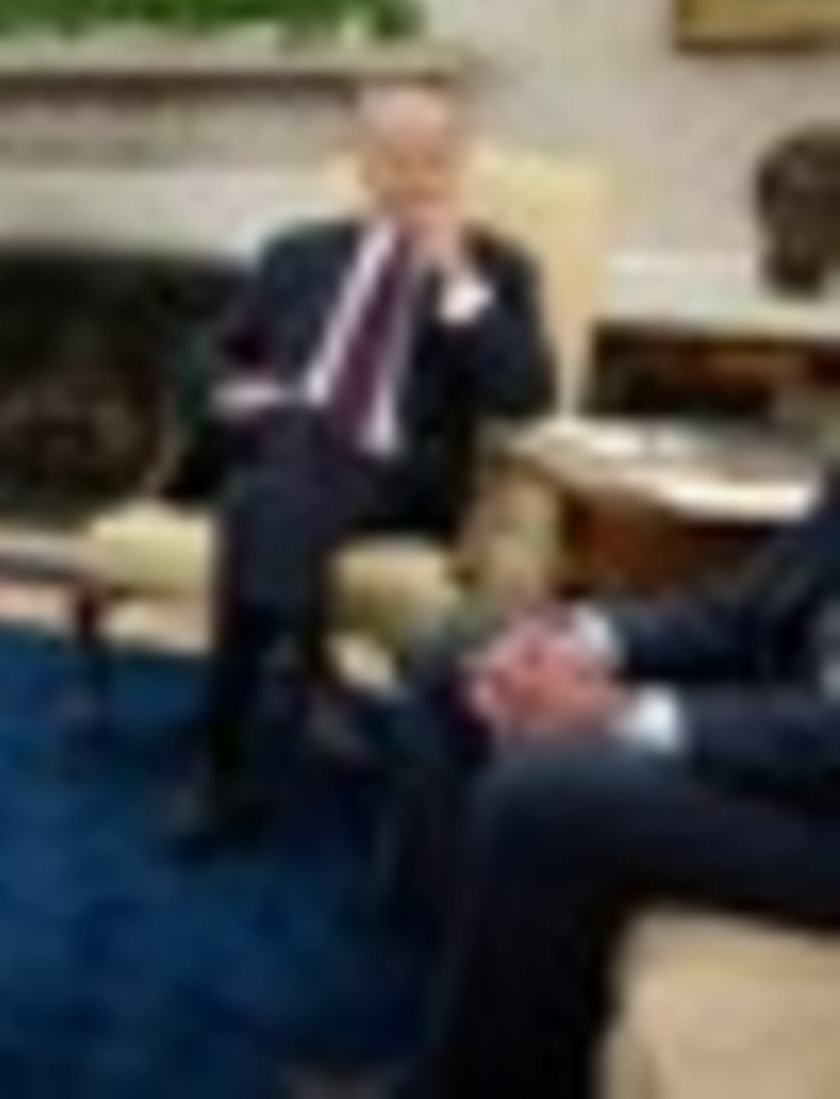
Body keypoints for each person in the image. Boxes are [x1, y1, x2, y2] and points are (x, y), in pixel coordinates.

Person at [170, 82, 556, 853]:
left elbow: (527, 395)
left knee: (256, 494)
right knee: (272, 471)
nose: (413, 178)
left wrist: (459, 284)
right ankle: (297, 680)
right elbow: (207, 350)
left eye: (432, 160)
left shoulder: (499, 267)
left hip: (401, 475)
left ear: (459, 163)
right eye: (394, 159)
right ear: (361, 163)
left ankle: (231, 749)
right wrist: (231, 389)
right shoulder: (296, 252)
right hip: (290, 454)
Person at [384, 468, 840, 1099]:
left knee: (542, 798)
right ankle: (441, 1022)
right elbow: (735, 616)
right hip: (790, 728)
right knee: (461, 663)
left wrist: (622, 714)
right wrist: (580, 640)